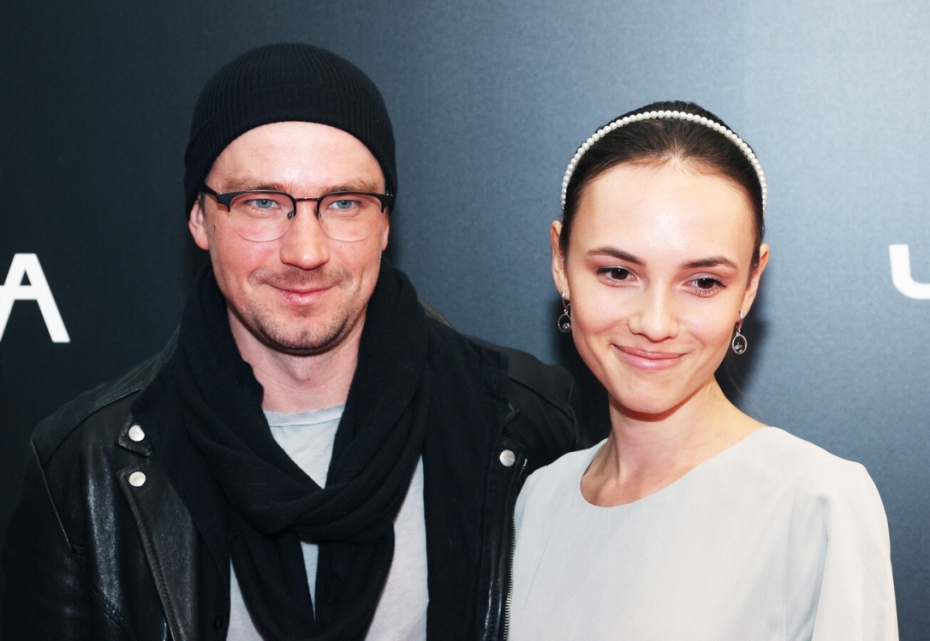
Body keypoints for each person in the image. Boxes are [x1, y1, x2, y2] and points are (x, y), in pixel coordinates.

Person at [1, 43, 580, 641]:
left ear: (384, 223)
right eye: (262, 202)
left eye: (345, 203)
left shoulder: (524, 421)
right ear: (200, 217)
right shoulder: (87, 465)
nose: (305, 251)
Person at [509, 101, 898, 640]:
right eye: (617, 272)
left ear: (751, 285)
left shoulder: (815, 501)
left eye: (704, 282)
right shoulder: (537, 498)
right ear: (560, 262)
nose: (655, 323)